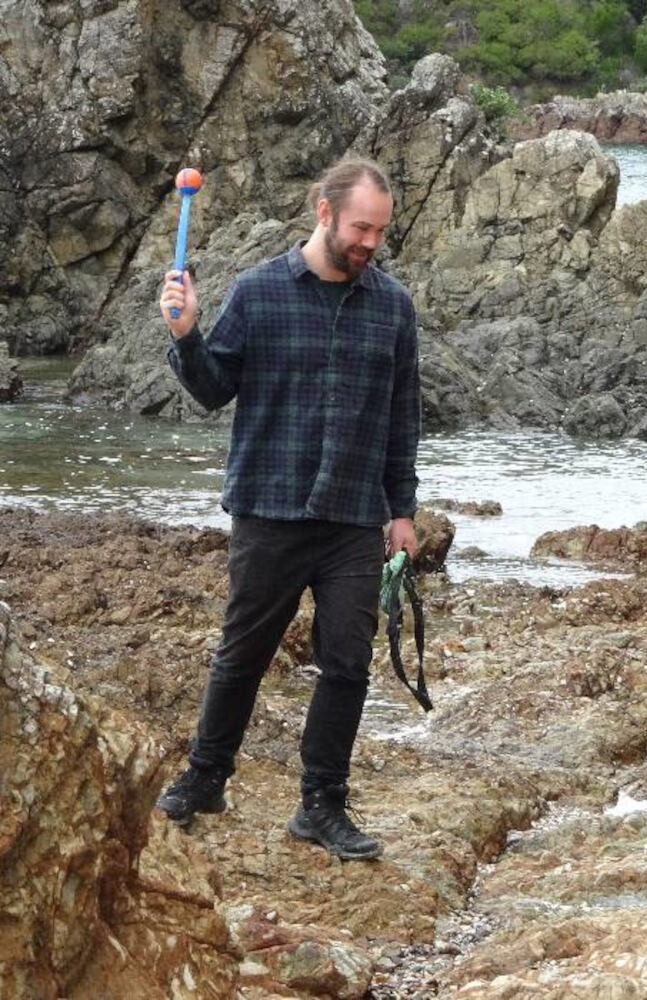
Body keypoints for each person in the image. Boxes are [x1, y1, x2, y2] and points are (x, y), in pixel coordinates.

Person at [155, 158, 420, 861]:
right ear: (325, 213)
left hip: (353, 518)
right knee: (241, 657)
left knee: (347, 665)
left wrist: (403, 510)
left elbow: (402, 418)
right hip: (269, 510)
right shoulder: (259, 291)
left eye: (380, 232)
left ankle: (322, 805)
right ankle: (206, 778)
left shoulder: (393, 307)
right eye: (361, 227)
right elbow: (213, 390)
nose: (370, 243)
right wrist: (186, 336)